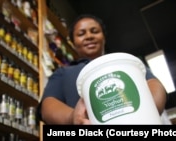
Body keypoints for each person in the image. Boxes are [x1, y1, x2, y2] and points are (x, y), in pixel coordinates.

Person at [37, 14, 167, 124]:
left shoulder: (125, 62)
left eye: (95, 31)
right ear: (72, 41)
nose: (89, 36)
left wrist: (148, 112)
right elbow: (47, 106)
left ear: (103, 36)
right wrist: (73, 116)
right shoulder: (63, 73)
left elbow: (154, 84)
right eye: (81, 34)